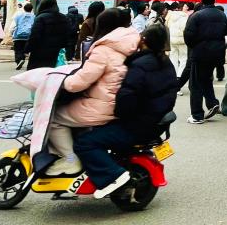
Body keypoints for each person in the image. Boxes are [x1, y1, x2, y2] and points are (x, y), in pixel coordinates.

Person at [73, 23, 178, 200]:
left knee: (85, 142)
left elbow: (126, 99)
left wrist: (116, 114)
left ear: (143, 40)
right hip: (154, 123)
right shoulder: (166, 63)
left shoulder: (139, 65)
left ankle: (112, 177)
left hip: (137, 127)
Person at [47, 7, 139, 175]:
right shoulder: (132, 43)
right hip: (120, 103)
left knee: (53, 117)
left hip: (102, 106)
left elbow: (78, 83)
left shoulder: (104, 49)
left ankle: (70, 160)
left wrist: (60, 82)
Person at [183, 0, 227, 124]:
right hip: (217, 52)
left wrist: (195, 47)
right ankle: (212, 102)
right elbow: (225, 31)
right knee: (206, 79)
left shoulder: (196, 15)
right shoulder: (222, 15)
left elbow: (188, 36)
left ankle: (197, 115)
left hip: (200, 52)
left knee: (195, 84)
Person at [26, 0, 73, 70]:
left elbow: (34, 36)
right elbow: (68, 35)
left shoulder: (40, 18)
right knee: (51, 73)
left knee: (37, 73)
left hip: (39, 52)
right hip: (56, 52)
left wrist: (27, 49)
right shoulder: (63, 18)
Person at [166, 1, 192, 92]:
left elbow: (167, 25)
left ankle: (172, 76)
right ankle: (179, 77)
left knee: (173, 59)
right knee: (183, 59)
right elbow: (186, 29)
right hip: (182, 41)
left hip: (172, 40)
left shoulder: (170, 15)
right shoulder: (185, 17)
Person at [12, 2, 35, 70]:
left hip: (18, 36)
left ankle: (19, 60)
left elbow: (13, 25)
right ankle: (22, 58)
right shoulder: (34, 16)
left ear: (24, 8)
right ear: (32, 9)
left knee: (18, 49)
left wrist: (11, 33)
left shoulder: (18, 16)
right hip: (28, 36)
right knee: (24, 49)